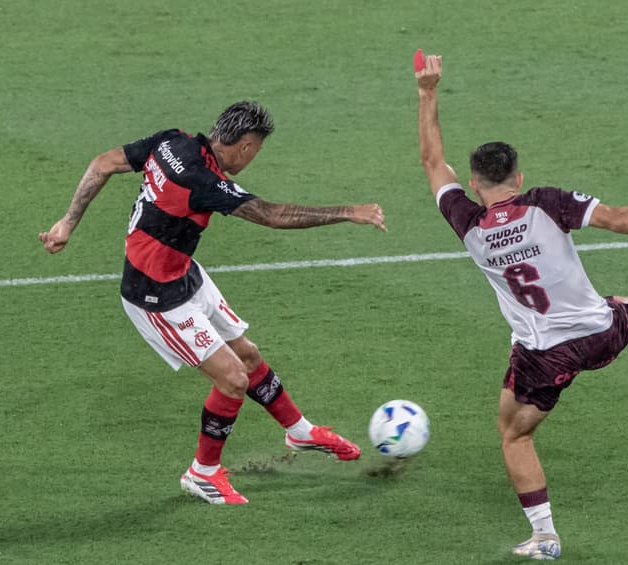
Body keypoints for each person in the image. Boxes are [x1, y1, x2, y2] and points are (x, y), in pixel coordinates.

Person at [414, 52, 628, 560]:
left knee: (513, 436)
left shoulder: (466, 220)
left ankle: (545, 536)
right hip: (598, 331)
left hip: (542, 354)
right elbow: (621, 219)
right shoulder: (544, 201)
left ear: (475, 184)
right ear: (518, 177)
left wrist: (427, 92)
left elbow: (433, 162)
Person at [39, 101, 386, 505]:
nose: (253, 156)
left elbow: (102, 163)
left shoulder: (171, 141)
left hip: (184, 273)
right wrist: (348, 211)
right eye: (256, 148)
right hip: (155, 297)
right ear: (245, 146)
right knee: (233, 379)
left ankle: (300, 431)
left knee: (249, 357)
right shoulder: (202, 180)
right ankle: (202, 473)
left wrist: (67, 222)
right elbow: (272, 215)